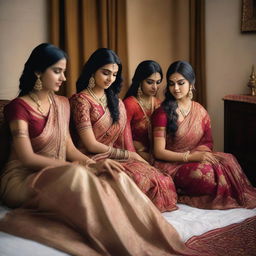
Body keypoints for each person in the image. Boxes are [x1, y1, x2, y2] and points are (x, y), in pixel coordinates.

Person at [0, 45, 196, 256]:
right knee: (79, 174)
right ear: (38, 72)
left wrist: (96, 164)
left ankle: (144, 239)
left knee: (114, 176)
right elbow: (27, 158)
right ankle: (117, 244)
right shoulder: (18, 107)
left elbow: (70, 148)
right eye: (57, 71)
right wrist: (78, 167)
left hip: (57, 172)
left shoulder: (62, 104)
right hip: (21, 179)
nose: (64, 78)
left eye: (64, 72)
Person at [69, 48, 178, 213]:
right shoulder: (81, 101)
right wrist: (130, 155)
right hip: (91, 158)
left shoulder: (116, 102)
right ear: (93, 70)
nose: (110, 79)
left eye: (114, 74)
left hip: (116, 156)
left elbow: (125, 139)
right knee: (132, 180)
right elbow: (90, 145)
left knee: (160, 178)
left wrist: (136, 159)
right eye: (105, 73)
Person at [151, 60, 256, 210]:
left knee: (228, 160)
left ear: (191, 83)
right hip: (172, 164)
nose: (176, 88)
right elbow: (158, 152)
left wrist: (199, 154)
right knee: (206, 177)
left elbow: (207, 142)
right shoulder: (162, 112)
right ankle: (183, 191)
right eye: (171, 83)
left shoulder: (199, 110)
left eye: (181, 83)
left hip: (195, 157)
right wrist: (190, 157)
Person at [123, 60, 162, 161]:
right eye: (150, 82)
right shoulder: (130, 104)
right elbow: (122, 136)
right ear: (140, 81)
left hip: (156, 155)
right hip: (133, 154)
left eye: (158, 82)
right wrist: (139, 152)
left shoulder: (159, 104)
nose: (155, 87)